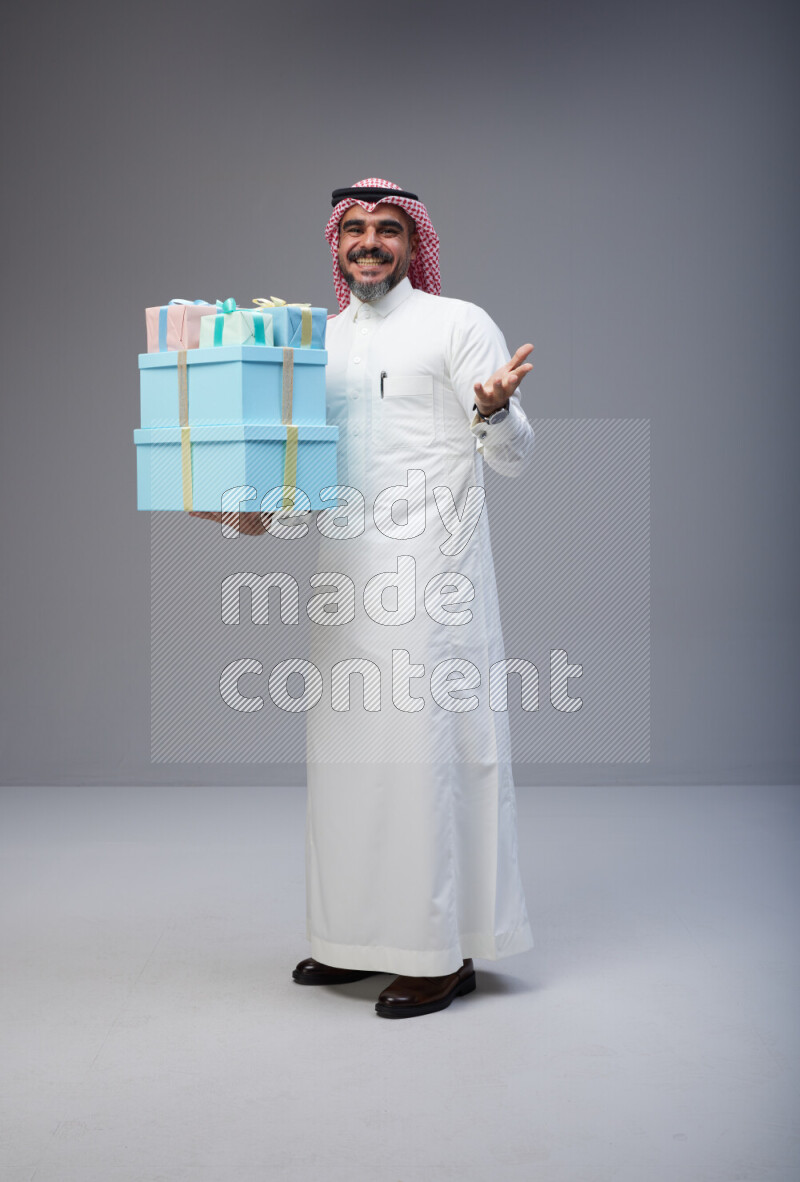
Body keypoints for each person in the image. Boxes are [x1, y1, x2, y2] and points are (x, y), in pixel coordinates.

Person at [194, 178, 536, 1019]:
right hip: (343, 582)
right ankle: (352, 939)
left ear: (415, 245)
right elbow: (302, 479)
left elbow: (516, 460)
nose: (372, 242)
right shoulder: (317, 344)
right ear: (336, 244)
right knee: (347, 764)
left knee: (424, 763)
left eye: (389, 229)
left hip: (431, 580)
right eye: (356, 229)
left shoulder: (457, 325)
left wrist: (496, 412)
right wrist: (243, 518)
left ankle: (437, 952)